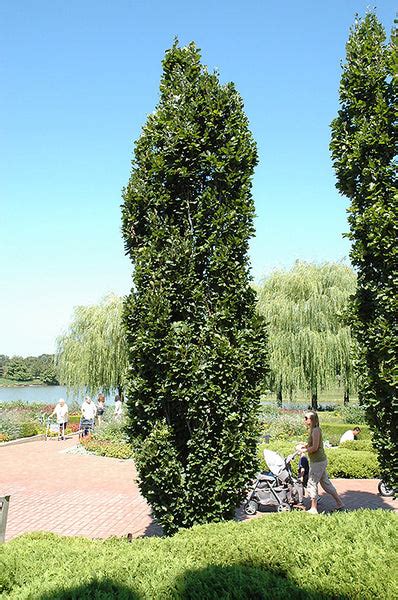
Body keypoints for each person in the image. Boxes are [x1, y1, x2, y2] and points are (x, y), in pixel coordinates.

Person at [297, 411, 345, 514]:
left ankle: (313, 508)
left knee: (312, 483)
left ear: (312, 420)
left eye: (306, 418)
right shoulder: (313, 430)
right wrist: (304, 445)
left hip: (318, 462)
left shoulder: (316, 430)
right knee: (326, 484)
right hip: (319, 461)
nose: (304, 420)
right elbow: (313, 444)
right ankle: (340, 504)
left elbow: (315, 447)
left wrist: (303, 451)